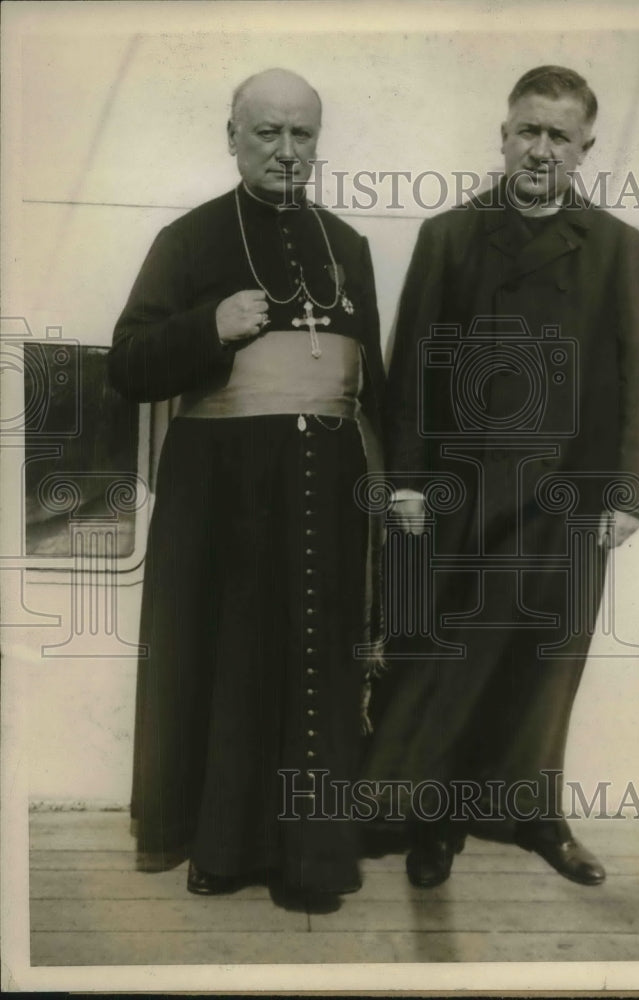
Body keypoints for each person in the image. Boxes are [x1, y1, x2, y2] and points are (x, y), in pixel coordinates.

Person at [364, 66, 639, 888]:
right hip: (465, 496)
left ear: (583, 150)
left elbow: (638, 373)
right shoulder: (450, 236)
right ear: (502, 135)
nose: (539, 149)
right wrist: (409, 483)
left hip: (570, 500)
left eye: (557, 136)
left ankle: (537, 817)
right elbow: (414, 368)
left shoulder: (614, 246)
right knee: (452, 658)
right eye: (526, 130)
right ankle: (436, 824)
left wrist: (632, 495)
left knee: (546, 663)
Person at [108, 68, 384, 903]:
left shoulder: (350, 246)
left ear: (318, 142)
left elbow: (379, 381)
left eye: (301, 133)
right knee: (229, 660)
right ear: (231, 136)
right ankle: (221, 852)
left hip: (326, 483)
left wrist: (398, 482)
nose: (285, 150)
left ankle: (310, 863)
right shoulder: (188, 239)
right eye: (267, 131)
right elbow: (127, 366)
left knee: (316, 664)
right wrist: (207, 328)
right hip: (220, 491)